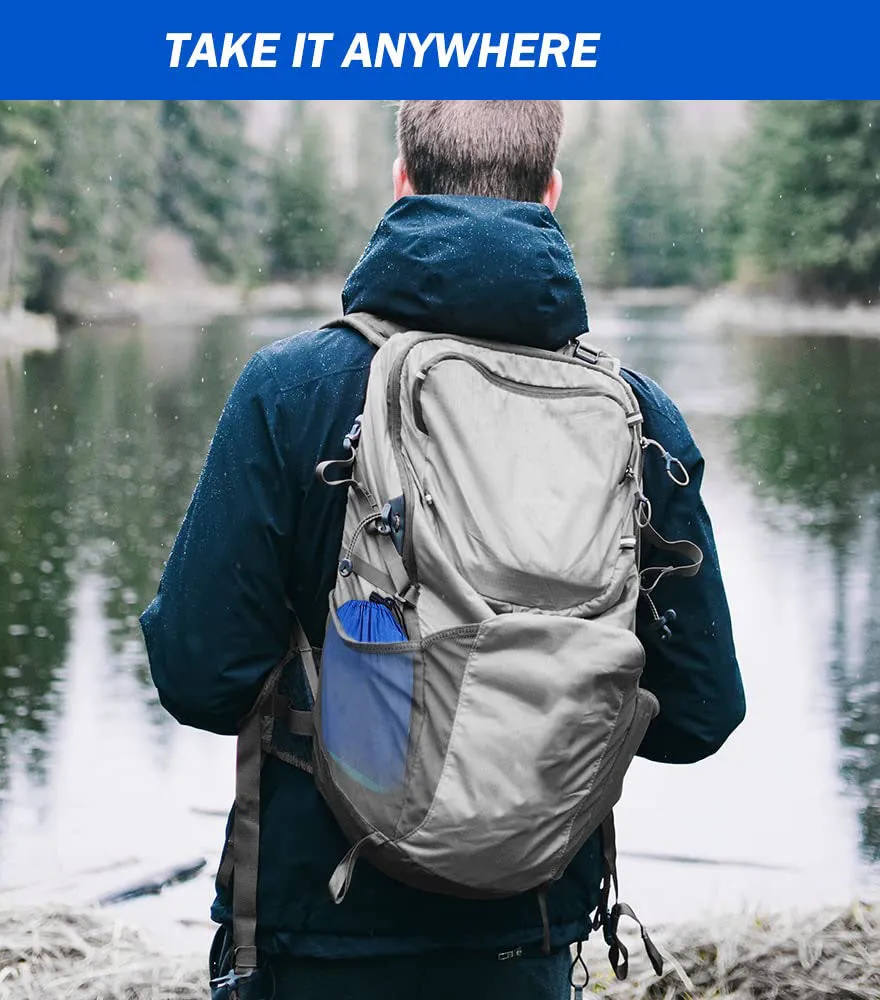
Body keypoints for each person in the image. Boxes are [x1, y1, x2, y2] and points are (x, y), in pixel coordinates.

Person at [140, 100, 746, 1000]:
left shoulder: (293, 389)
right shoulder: (639, 419)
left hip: (318, 932)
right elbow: (700, 714)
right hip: (525, 940)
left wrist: (373, 697)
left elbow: (199, 675)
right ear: (551, 192)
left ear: (402, 182)